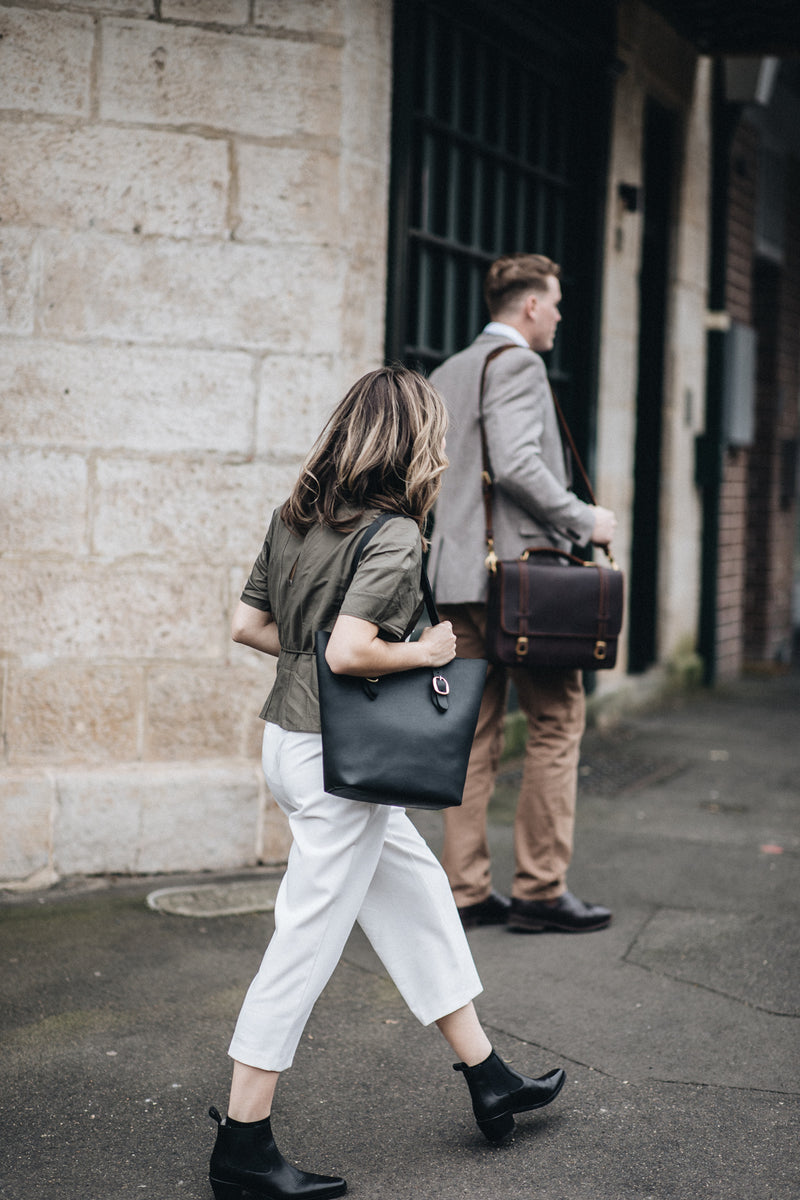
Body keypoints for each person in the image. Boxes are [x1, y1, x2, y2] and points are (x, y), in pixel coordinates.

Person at [210, 367, 566, 1200]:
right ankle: (243, 1142)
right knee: (305, 939)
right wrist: (426, 653)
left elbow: (248, 625)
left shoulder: (295, 514)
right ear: (415, 443)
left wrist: (323, 657)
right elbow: (349, 652)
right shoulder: (396, 533)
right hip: (344, 766)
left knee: (417, 899)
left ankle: (489, 1077)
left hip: (292, 746)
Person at [428, 253, 617, 935]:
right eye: (556, 303)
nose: (561, 316)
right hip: (519, 581)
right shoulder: (519, 364)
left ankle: (465, 890)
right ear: (529, 306)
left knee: (472, 737)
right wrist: (582, 519)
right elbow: (515, 463)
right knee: (558, 720)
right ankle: (539, 889)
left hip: (456, 578)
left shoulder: (448, 371)